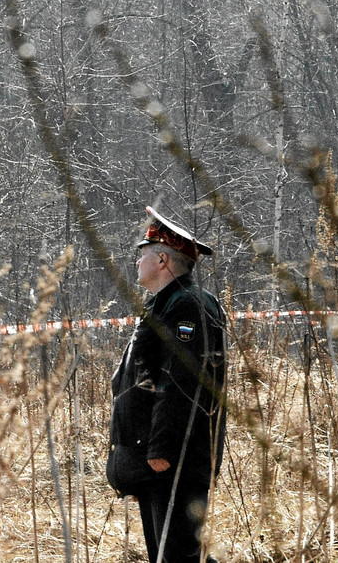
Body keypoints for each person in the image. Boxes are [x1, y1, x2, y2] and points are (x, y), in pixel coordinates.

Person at [107, 207, 227, 563]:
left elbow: (183, 383)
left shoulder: (190, 305)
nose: (137, 261)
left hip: (176, 459)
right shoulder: (162, 304)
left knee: (181, 556)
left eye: (143, 254)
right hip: (154, 460)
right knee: (171, 555)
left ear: (162, 260)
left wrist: (161, 450)